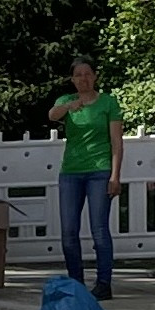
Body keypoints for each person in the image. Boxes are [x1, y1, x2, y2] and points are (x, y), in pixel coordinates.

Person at [48, 55, 123, 296]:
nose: (84, 79)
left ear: (95, 76)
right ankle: (75, 283)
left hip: (99, 170)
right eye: (78, 75)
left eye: (88, 74)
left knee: (99, 228)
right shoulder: (67, 101)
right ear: (72, 79)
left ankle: (104, 283)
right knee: (69, 229)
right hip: (71, 171)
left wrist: (115, 176)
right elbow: (52, 115)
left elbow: (116, 142)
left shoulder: (108, 103)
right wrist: (70, 106)